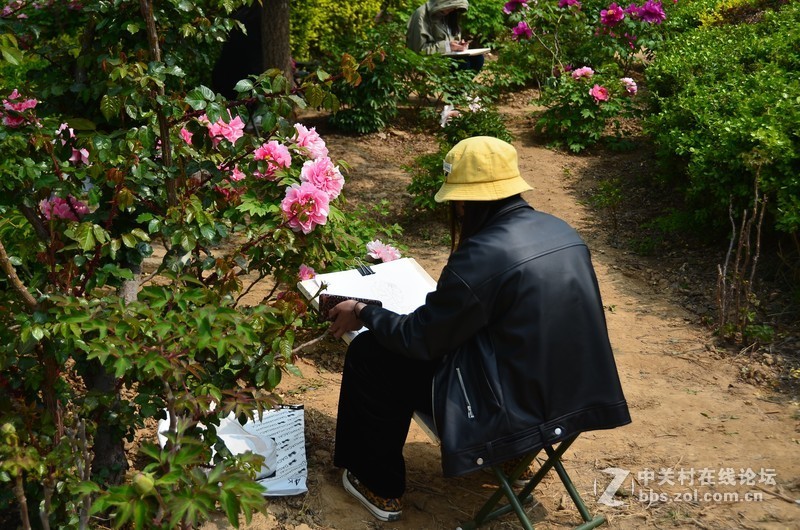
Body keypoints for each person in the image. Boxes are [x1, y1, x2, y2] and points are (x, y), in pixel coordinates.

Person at [327, 136, 631, 522]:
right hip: (569, 395)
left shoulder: (482, 254)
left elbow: (420, 340)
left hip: (511, 408)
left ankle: (378, 485)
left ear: (467, 199)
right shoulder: (561, 231)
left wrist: (364, 311)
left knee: (372, 355)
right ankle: (518, 456)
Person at [406, 0, 484, 73]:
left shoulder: (451, 14)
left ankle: (461, 87)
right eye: (452, 7)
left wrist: (459, 45)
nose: (452, 10)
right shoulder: (421, 15)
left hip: (448, 57)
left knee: (478, 59)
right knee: (463, 64)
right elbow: (419, 51)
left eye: (454, 8)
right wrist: (447, 46)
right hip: (431, 60)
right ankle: (454, 86)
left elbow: (452, 41)